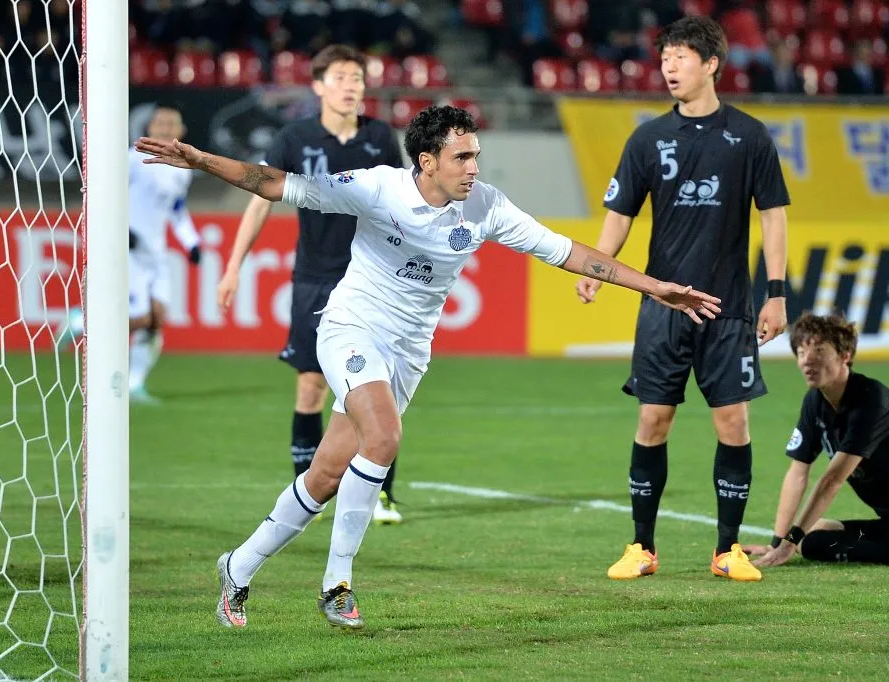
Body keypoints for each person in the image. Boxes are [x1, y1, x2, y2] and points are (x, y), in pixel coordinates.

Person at [136, 104, 721, 630]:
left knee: (326, 474)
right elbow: (273, 183)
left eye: (476, 155)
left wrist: (655, 289)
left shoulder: (486, 207)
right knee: (385, 436)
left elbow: (568, 252)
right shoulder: (376, 189)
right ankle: (337, 585)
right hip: (350, 327)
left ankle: (236, 567)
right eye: (461, 157)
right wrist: (198, 160)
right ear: (427, 161)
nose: (474, 167)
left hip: (409, 352)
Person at [574, 15, 790, 582]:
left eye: (681, 58)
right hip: (663, 307)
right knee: (653, 421)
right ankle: (641, 548)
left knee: (734, 425)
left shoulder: (749, 135)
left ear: (711, 64)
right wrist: (598, 267)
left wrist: (777, 294)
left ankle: (728, 551)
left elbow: (774, 217)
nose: (669, 68)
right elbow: (619, 215)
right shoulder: (647, 138)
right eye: (665, 58)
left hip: (728, 309)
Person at [218, 44, 407, 525]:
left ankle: (381, 495)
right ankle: (309, 490)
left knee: (375, 389)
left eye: (357, 78)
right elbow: (261, 198)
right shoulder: (295, 137)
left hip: (371, 281)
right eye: (341, 77)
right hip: (315, 277)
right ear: (319, 86)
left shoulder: (381, 137)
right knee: (311, 387)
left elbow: (400, 205)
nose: (351, 86)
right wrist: (234, 264)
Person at [55, 103, 201, 403]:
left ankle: (134, 384)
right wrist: (117, 230)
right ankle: (81, 321)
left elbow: (175, 209)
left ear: (182, 132)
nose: (163, 129)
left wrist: (192, 242)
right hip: (129, 249)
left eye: (170, 124)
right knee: (140, 317)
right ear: (149, 129)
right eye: (159, 123)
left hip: (156, 253)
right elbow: (102, 193)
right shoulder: (132, 160)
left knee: (157, 319)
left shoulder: (182, 169)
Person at [743, 313, 889, 567]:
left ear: (845, 355)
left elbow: (832, 480)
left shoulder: (870, 399)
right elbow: (798, 471)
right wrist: (778, 543)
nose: (808, 361)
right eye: (801, 352)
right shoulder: (815, 401)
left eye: (819, 351)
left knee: (808, 543)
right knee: (813, 534)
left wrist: (788, 546)